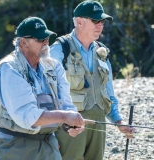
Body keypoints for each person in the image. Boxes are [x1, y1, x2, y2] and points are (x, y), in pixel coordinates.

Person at [50, 1, 135, 160]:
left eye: (102, 21)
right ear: (79, 22)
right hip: (69, 127)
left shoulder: (102, 52)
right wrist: (50, 135)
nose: (100, 25)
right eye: (96, 21)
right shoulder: (59, 49)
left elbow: (108, 94)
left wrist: (118, 121)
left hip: (98, 124)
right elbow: (45, 93)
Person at [0, 16, 85, 160]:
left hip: (49, 145)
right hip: (15, 146)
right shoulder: (9, 68)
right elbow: (29, 116)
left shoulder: (54, 66)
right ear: (23, 42)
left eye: (47, 39)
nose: (46, 43)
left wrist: (71, 125)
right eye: (40, 40)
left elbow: (66, 104)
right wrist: (64, 116)